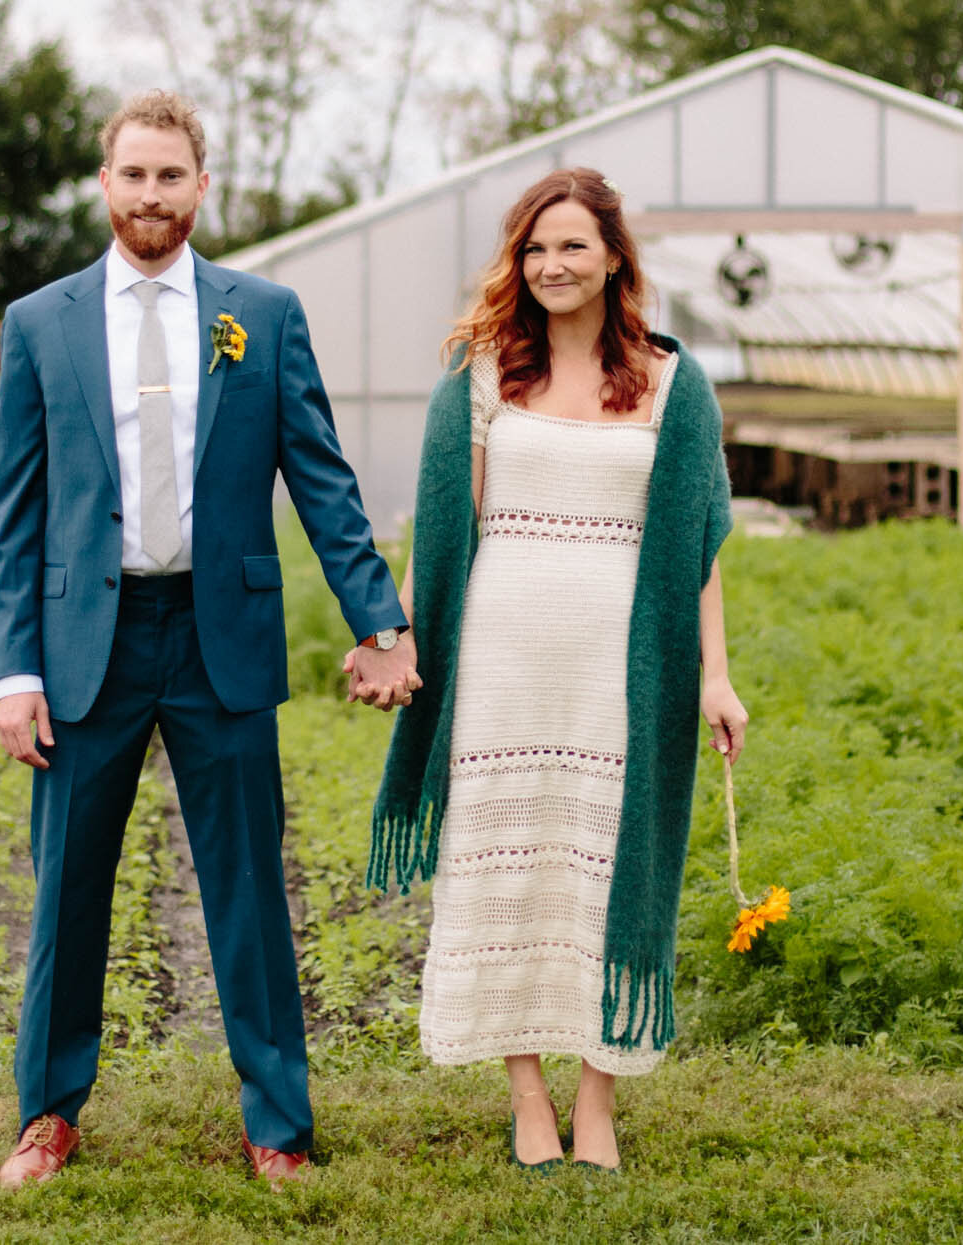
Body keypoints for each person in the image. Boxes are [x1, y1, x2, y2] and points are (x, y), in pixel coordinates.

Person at [0, 90, 419, 1191]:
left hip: (220, 639)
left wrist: (379, 617)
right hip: (90, 643)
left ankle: (278, 1121)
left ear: (201, 186)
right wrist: (15, 670)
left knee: (245, 889)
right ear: (104, 183)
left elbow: (320, 478)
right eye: (132, 175)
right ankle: (47, 1114)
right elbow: (15, 512)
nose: (150, 195)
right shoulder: (40, 322)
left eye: (169, 176)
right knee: (66, 889)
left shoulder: (260, 315)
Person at [362, 167, 746, 1173]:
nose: (551, 265)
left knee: (604, 872)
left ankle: (598, 1099)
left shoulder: (672, 383)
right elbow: (440, 533)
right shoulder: (485, 374)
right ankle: (527, 1095)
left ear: (613, 256)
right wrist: (396, 636)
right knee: (510, 867)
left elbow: (696, 548)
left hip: (620, 669)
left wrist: (713, 676)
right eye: (534, 248)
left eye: (571, 245)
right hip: (499, 660)